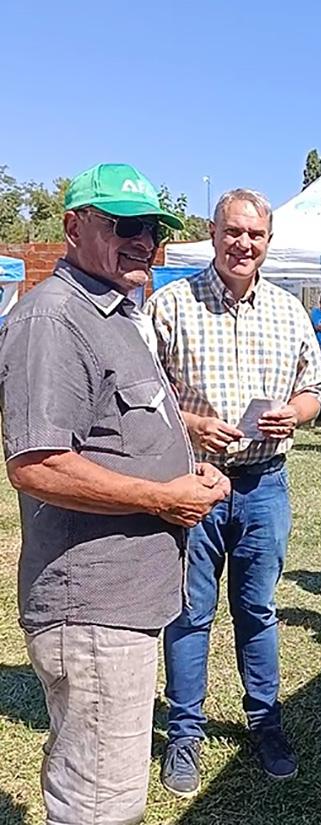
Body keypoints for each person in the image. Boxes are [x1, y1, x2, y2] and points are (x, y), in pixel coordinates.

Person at [0, 163, 230, 824]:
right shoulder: (53, 320)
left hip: (122, 605)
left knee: (107, 792)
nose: (143, 242)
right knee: (97, 804)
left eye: (152, 230)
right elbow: (37, 464)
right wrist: (161, 498)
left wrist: (189, 465)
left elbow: (122, 423)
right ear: (73, 227)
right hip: (91, 609)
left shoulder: (117, 311)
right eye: (125, 225)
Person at [144, 188, 321, 793]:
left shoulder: (288, 310)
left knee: (258, 611)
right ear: (213, 233)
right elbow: (144, 396)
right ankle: (186, 736)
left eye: (255, 235)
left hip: (265, 484)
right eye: (233, 232)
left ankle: (266, 722)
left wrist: (294, 416)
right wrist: (191, 424)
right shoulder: (171, 305)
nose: (243, 244)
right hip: (194, 483)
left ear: (268, 241)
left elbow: (315, 387)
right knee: (191, 614)